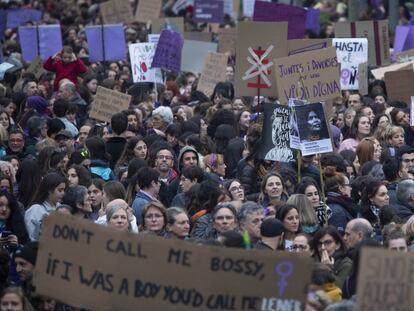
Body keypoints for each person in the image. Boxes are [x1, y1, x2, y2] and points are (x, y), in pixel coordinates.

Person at [24, 173, 66, 241]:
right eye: (60, 190)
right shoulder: (35, 210)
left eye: (64, 190)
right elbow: (31, 237)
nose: (63, 193)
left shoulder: (61, 207)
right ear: (49, 190)